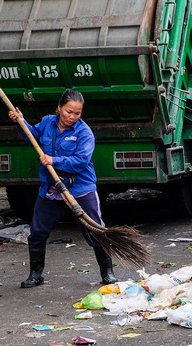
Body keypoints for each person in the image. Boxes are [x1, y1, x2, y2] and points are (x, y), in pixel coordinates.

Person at [8, 89, 117, 288]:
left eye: (77, 113)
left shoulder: (84, 132)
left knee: (95, 231)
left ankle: (107, 273)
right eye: (68, 112)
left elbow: (81, 161)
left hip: (80, 188)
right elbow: (32, 137)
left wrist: (54, 160)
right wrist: (21, 122)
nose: (72, 117)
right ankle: (35, 275)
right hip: (52, 188)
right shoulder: (48, 122)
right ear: (59, 108)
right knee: (38, 232)